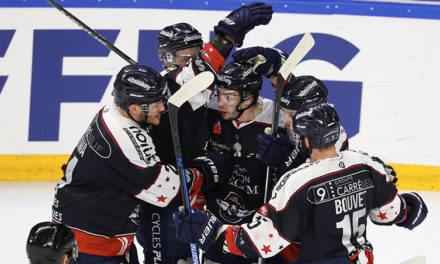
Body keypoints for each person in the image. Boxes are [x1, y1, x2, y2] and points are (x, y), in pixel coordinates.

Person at [173, 103, 428, 264]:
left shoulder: (297, 182)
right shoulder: (366, 163)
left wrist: (210, 231)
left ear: (305, 141)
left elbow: (262, 243)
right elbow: (390, 213)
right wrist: (410, 206)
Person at [136, 3, 274, 263]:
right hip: (165, 198)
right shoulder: (166, 89)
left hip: (197, 192)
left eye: (197, 55)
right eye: (186, 59)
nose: (194, 63)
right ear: (167, 59)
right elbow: (200, 71)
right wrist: (227, 36)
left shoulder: (206, 96)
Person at [51, 64, 220, 264]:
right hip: (93, 245)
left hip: (90, 227)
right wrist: (206, 171)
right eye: (156, 103)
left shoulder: (113, 112)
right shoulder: (126, 138)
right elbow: (165, 188)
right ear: (134, 108)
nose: (163, 108)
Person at [191, 59, 291, 264]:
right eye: (219, 94)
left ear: (248, 98)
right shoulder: (209, 108)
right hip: (216, 227)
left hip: (258, 232)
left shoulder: (279, 119)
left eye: (229, 96)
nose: (220, 102)